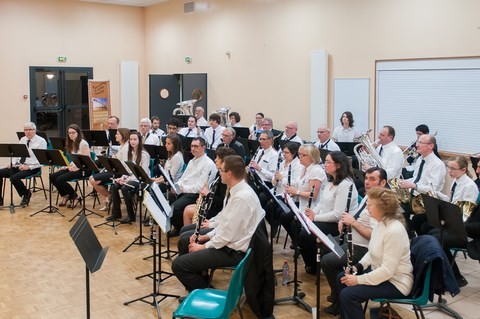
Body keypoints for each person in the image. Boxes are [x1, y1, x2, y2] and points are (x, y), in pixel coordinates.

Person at [172, 155, 265, 293]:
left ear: (229, 173)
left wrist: (203, 246)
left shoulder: (241, 197)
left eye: (221, 170)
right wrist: (206, 237)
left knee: (179, 265)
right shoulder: (237, 189)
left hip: (234, 250)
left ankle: (206, 292)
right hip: (229, 242)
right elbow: (226, 222)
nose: (219, 172)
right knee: (185, 240)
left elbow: (227, 235)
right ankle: (199, 280)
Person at [336, 187, 413, 319]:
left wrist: (358, 279)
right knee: (341, 278)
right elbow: (372, 251)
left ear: (383, 208)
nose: (367, 208)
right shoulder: (379, 224)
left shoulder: (394, 231)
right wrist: (358, 267)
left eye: (370, 205)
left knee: (348, 295)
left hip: (396, 283)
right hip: (382, 275)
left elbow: (387, 271)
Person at [322, 167, 388, 316]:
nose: (367, 182)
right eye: (366, 178)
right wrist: (345, 221)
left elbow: (374, 236)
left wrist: (353, 223)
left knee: (328, 261)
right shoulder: (369, 195)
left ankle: (340, 300)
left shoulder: (381, 203)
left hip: (363, 249)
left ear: (383, 182)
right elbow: (358, 216)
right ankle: (338, 294)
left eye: (373, 179)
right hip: (352, 243)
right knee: (326, 246)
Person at [299, 151, 358, 274]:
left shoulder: (346, 184)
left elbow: (337, 214)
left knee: (306, 234)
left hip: (339, 225)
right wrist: (311, 214)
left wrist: (315, 218)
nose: (324, 164)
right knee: (301, 228)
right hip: (325, 219)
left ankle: (315, 265)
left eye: (328, 162)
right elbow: (321, 203)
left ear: (338, 165)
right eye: (324, 161)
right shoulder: (330, 181)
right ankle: (312, 264)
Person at [428, 155, 479, 287]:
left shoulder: (469, 186)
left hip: (465, 230)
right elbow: (452, 203)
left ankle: (455, 277)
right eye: (449, 167)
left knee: (438, 239)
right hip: (456, 224)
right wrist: (437, 194)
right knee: (431, 233)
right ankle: (442, 273)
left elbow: (466, 213)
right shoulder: (456, 181)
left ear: (463, 170)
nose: (449, 171)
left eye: (453, 168)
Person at [399, 134, 446, 236]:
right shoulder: (420, 159)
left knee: (399, 209)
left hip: (427, 201)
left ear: (430, 146)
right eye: (417, 142)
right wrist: (403, 182)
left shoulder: (437, 164)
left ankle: (409, 235)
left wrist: (414, 186)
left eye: (421, 143)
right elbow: (416, 178)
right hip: (414, 195)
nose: (417, 145)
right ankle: (407, 234)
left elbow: (433, 189)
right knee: (392, 202)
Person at [279, 144, 326, 247]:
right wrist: (290, 190)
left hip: (313, 208)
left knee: (292, 223)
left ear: (312, 156)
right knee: (287, 219)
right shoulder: (304, 168)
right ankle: (299, 244)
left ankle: (301, 245)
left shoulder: (316, 171)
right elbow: (299, 185)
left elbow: (313, 195)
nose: (300, 157)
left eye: (303, 155)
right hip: (302, 206)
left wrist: (296, 192)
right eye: (299, 154)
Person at [169, 137, 217, 236]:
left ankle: (180, 228)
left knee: (175, 208)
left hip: (194, 194)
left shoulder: (208, 164)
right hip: (184, 191)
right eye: (192, 146)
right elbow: (183, 178)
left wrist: (182, 189)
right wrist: (177, 187)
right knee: (167, 197)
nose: (193, 148)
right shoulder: (192, 161)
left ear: (203, 147)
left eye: (196, 146)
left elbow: (199, 187)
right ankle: (174, 225)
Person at [182, 147, 235, 226]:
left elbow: (222, 201)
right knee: (188, 207)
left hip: (217, 210)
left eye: (218, 158)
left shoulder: (225, 178)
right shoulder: (219, 172)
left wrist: (208, 194)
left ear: (224, 161)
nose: (215, 160)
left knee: (187, 211)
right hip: (212, 204)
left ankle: (191, 233)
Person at [0, 122, 47, 206]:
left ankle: (26, 193)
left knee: (13, 178)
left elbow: (41, 160)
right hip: (19, 165)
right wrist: (13, 163)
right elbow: (17, 154)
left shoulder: (41, 141)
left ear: (35, 130)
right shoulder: (23, 139)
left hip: (32, 167)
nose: (28, 132)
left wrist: (28, 166)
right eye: (26, 130)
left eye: (30, 129)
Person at [110, 131, 150, 223]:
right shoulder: (130, 152)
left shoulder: (144, 155)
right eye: (131, 139)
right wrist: (123, 178)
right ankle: (116, 213)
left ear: (139, 141)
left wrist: (127, 180)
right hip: (131, 178)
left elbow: (142, 174)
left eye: (135, 139)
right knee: (115, 186)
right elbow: (128, 170)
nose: (132, 141)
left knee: (125, 188)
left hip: (141, 180)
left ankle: (130, 215)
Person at [89, 127, 130, 213]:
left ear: (123, 135)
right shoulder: (122, 146)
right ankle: (108, 197)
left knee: (93, 180)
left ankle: (109, 197)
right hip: (115, 170)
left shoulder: (126, 147)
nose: (115, 135)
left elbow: (124, 164)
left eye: (117, 134)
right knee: (92, 179)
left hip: (121, 173)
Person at [50, 124, 91, 208]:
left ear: (78, 133)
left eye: (73, 132)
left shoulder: (83, 143)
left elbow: (86, 160)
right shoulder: (72, 142)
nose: (71, 135)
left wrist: (76, 168)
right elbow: (75, 159)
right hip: (75, 167)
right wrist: (68, 166)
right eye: (69, 133)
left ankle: (75, 197)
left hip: (84, 169)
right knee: (53, 176)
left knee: (60, 179)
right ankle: (66, 195)